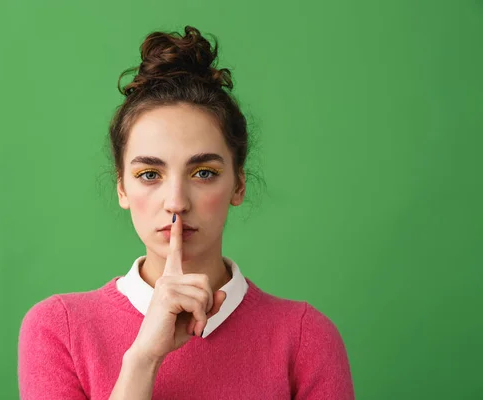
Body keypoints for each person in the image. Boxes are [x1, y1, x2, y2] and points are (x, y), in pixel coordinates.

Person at [18, 25, 355, 400]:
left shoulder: (306, 336)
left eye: (203, 173)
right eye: (149, 174)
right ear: (121, 188)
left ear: (238, 185)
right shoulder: (58, 327)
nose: (176, 201)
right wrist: (143, 357)